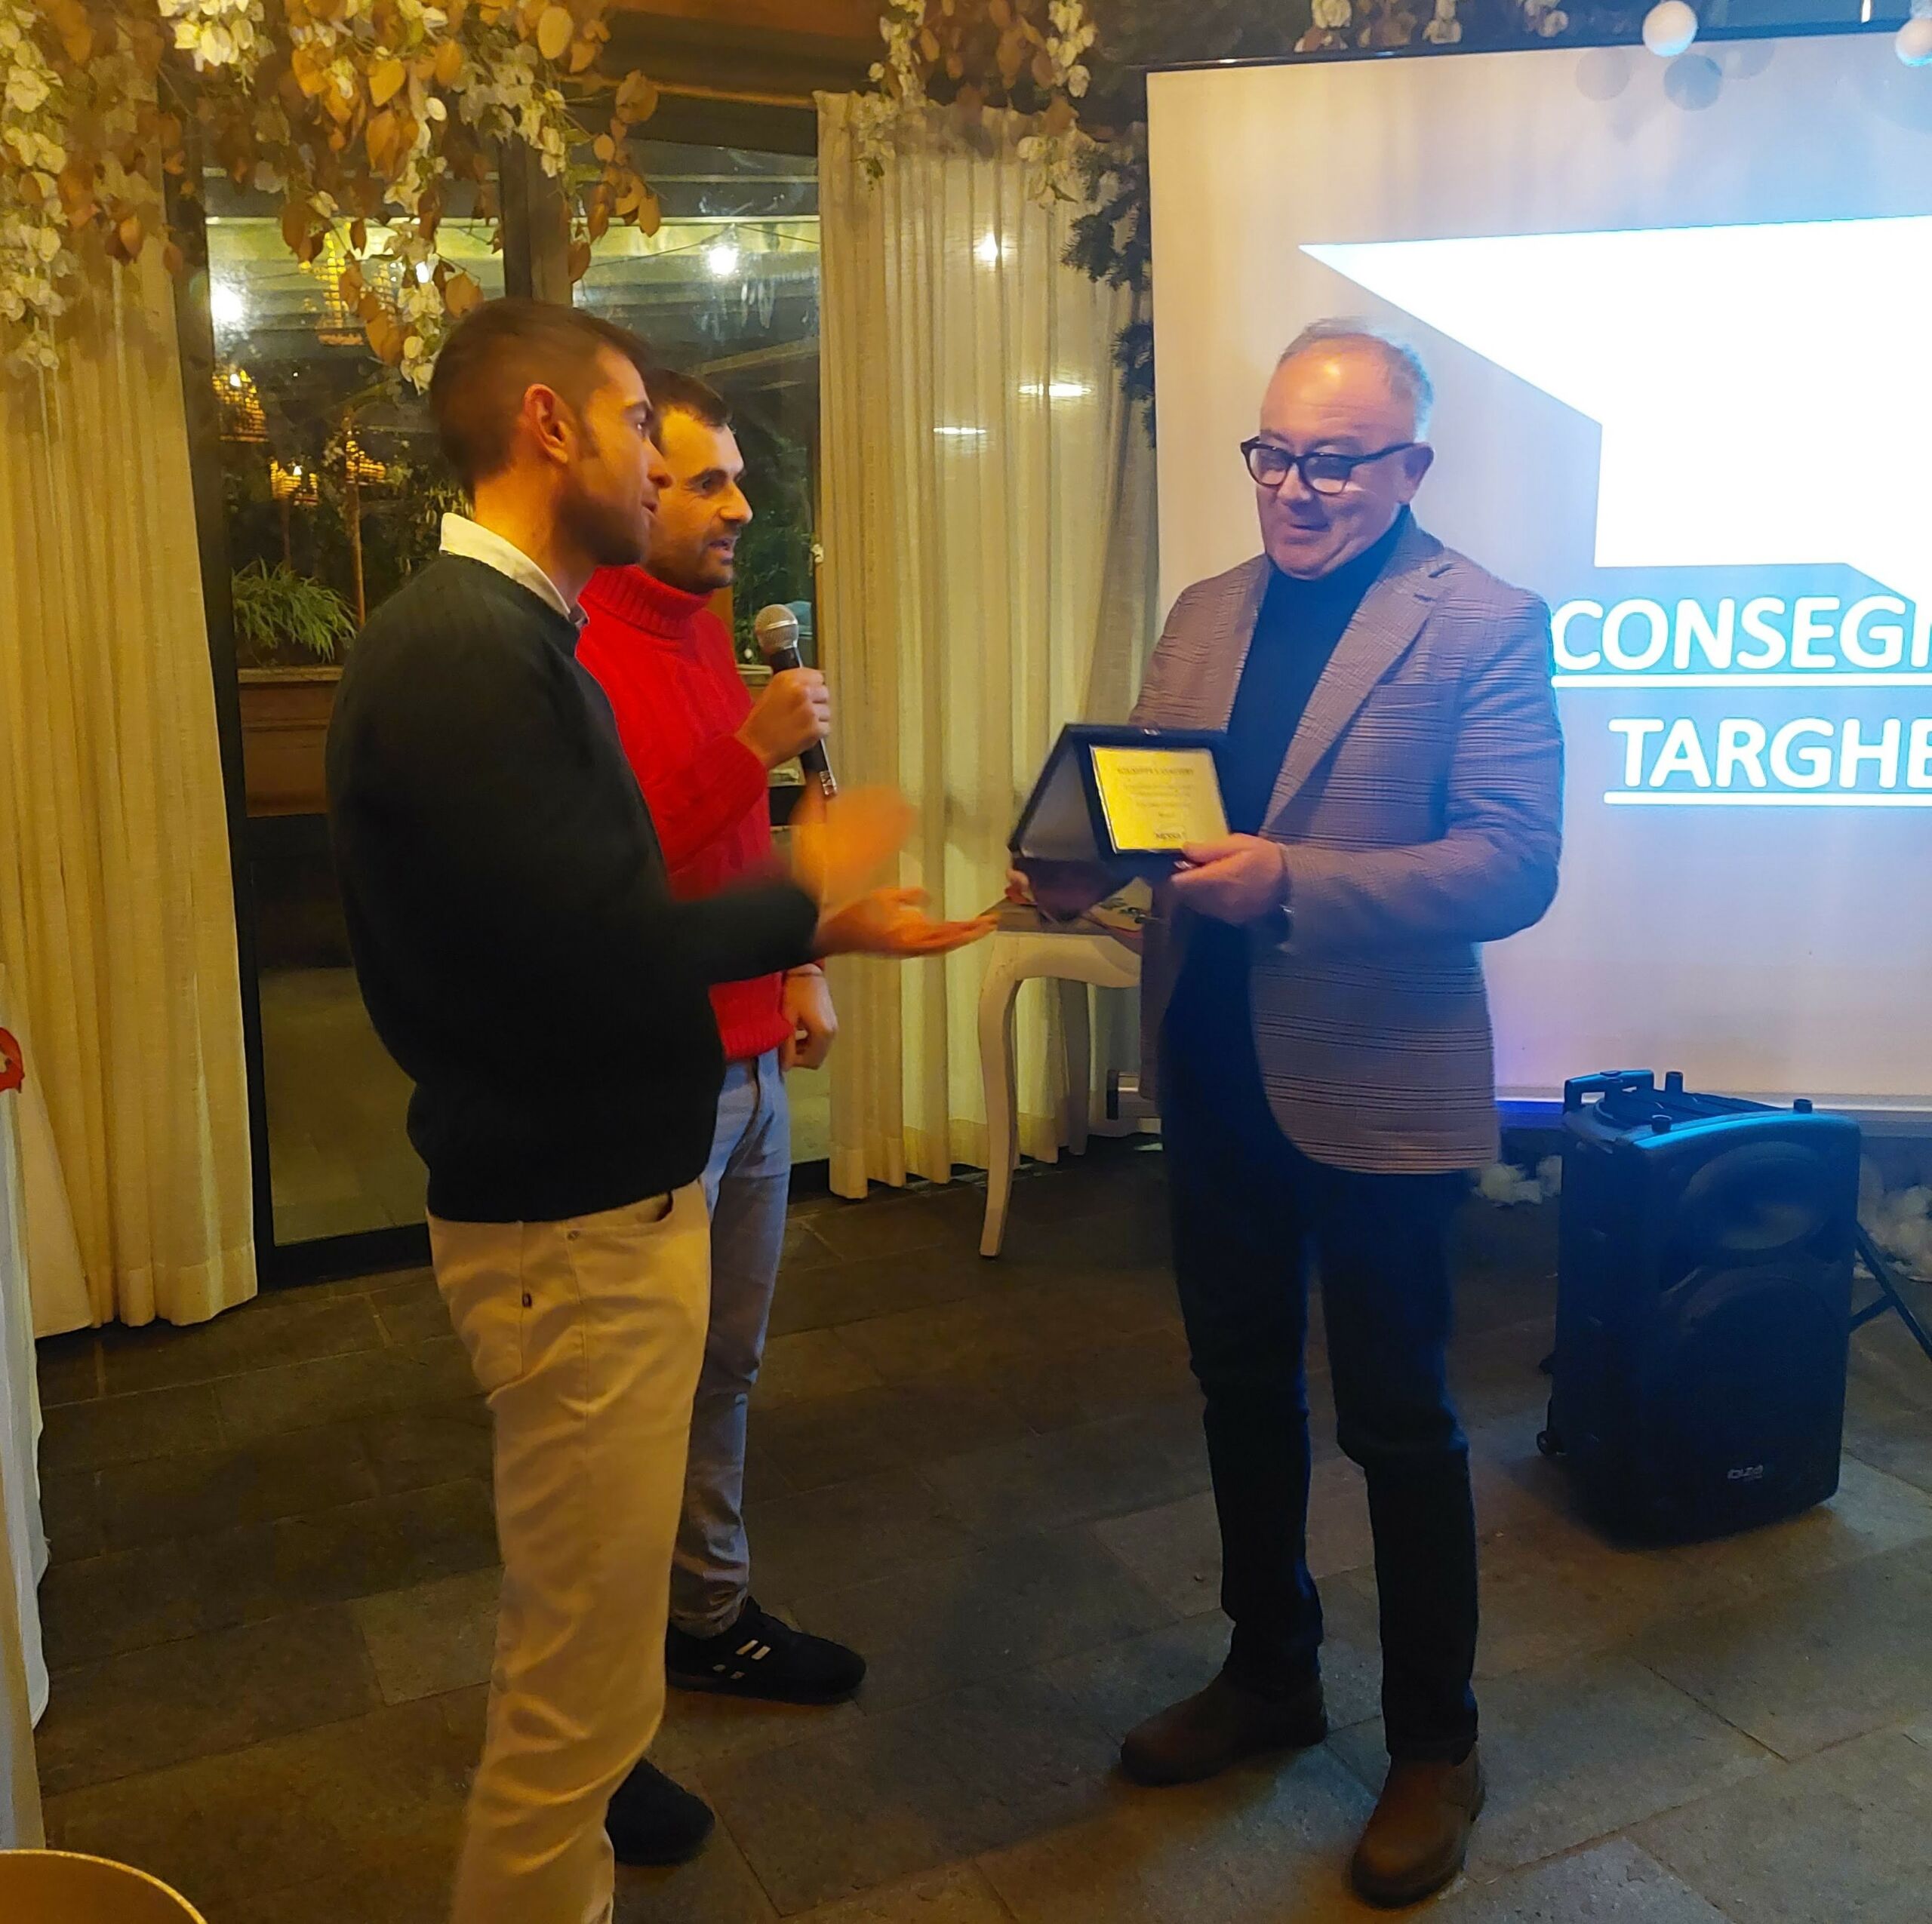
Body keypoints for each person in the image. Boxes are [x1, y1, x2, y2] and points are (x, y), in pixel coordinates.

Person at [327, 298, 986, 1924]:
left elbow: (568, 928)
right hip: (565, 1220)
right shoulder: (470, 652)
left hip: (583, 1198)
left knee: (593, 1659)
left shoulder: (503, 636)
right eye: (640, 427)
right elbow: (604, 949)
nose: (660, 462)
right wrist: (809, 894)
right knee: (573, 1712)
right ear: (549, 427)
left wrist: (816, 929)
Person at [1023, 321, 1562, 1906]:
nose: (1293, 488)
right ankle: (1270, 1671)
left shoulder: (1481, 620)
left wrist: (1292, 883)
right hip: (1209, 1066)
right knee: (1238, 1392)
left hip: (1377, 1082)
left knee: (1399, 1421)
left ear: (1409, 466)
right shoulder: (1202, 613)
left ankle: (1435, 1742)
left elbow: (1512, 862)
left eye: (1333, 462)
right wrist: (1083, 866)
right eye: (1273, 455)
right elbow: (1155, 815)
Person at [575, 371, 864, 1713]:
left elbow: (742, 842)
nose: (740, 507)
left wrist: (799, 962)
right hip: (650, 1079)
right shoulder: (574, 647)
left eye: (739, 479)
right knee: (627, 1396)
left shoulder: (708, 632)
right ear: (639, 487)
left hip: (753, 1064)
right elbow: (606, 878)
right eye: (706, 482)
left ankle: (709, 1613)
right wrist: (752, 744)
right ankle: (604, 1686)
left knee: (727, 1368)